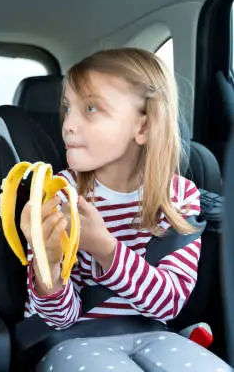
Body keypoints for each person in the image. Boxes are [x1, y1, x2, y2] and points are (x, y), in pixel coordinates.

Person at [20, 48, 232, 372]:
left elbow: (168, 304)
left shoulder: (179, 196)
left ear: (143, 127)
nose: (68, 125)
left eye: (90, 108)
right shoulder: (62, 192)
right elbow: (59, 319)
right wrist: (46, 263)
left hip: (155, 332)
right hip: (74, 340)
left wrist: (104, 248)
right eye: (67, 108)